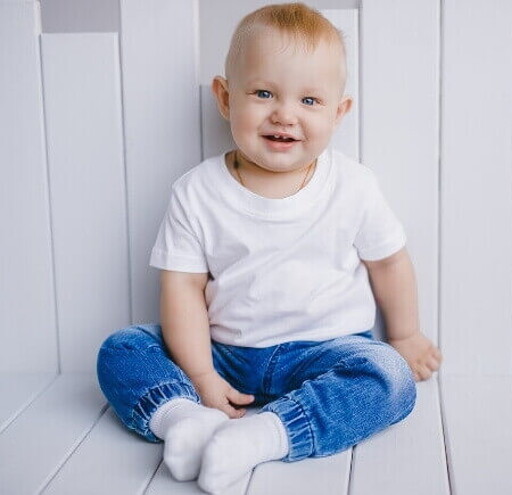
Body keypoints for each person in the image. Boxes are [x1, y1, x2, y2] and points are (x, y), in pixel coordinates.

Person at [97, 3, 442, 493]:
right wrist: (198, 373)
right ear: (225, 97)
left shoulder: (354, 186)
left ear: (339, 113)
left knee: (389, 375)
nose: (284, 114)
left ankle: (268, 434)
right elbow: (182, 288)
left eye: (309, 101)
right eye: (263, 93)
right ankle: (183, 421)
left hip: (328, 352)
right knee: (124, 348)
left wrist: (405, 335)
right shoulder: (197, 192)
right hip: (225, 354)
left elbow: (389, 262)